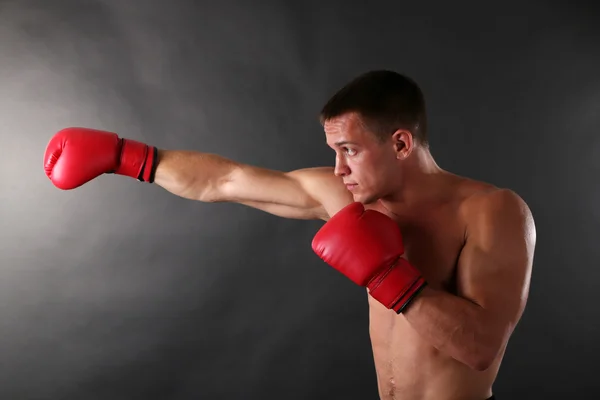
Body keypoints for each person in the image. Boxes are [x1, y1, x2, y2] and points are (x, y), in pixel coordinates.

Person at [43, 70, 536, 400]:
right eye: (333, 151)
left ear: (401, 142)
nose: (338, 168)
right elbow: (225, 180)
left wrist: (388, 274)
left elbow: (480, 349)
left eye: (350, 150)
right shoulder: (346, 196)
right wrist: (126, 157)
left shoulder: (491, 211)